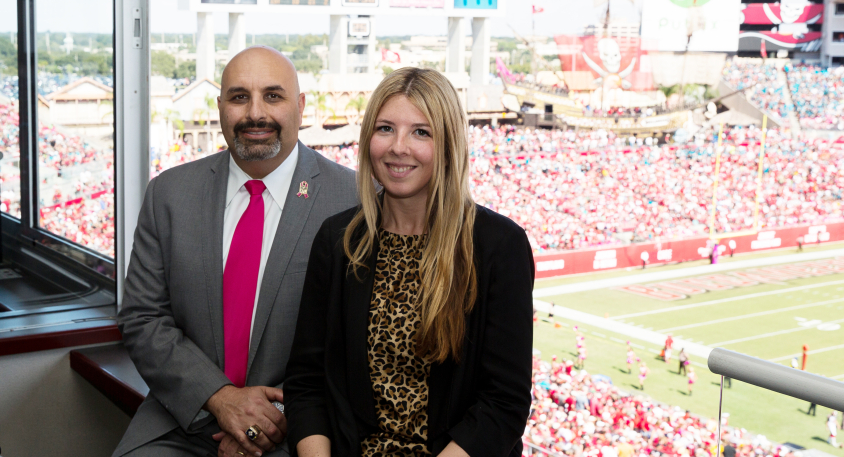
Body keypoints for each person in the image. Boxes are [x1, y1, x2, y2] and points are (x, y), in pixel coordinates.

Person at [113, 47, 357, 457]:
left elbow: (359, 346)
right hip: (184, 421)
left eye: (273, 96)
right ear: (222, 105)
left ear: (300, 106)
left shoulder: (355, 200)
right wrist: (222, 399)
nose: (255, 113)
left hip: (303, 432)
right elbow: (142, 317)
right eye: (239, 97)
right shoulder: (169, 194)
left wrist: (265, 418)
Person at [283, 68, 535, 456]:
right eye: (385, 128)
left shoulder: (499, 246)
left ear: (450, 144)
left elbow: (503, 405)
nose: (399, 147)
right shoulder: (338, 240)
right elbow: (307, 383)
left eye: (421, 132)